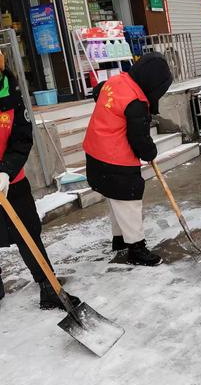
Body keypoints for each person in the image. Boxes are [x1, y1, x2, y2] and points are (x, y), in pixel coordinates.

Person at [0, 52, 80, 309]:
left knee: (28, 234)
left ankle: (48, 286)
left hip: (11, 182)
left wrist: (5, 171)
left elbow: (22, 137)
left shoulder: (10, 95)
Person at [83, 53, 173, 266]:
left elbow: (98, 92)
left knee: (115, 199)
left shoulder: (116, 81)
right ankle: (136, 248)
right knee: (129, 202)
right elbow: (139, 139)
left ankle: (120, 239)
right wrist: (150, 152)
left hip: (95, 153)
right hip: (115, 159)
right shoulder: (136, 102)